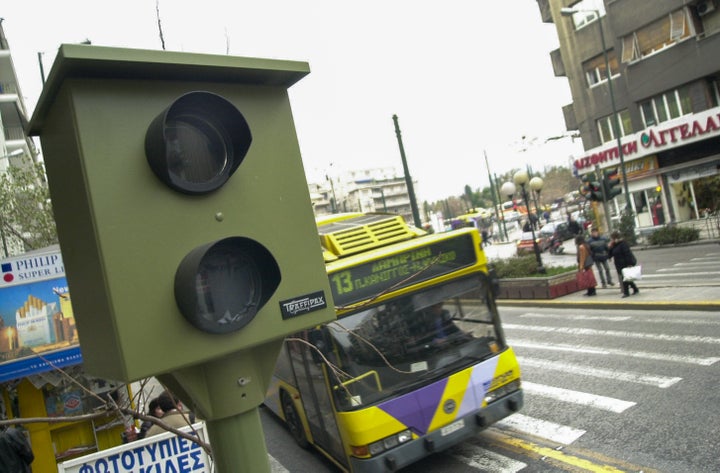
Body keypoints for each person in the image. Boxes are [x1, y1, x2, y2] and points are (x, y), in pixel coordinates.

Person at [608, 231, 639, 298]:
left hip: (625, 263)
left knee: (624, 278)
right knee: (627, 278)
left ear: (616, 238)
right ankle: (635, 289)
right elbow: (610, 254)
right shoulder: (614, 245)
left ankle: (626, 292)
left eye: (612, 239)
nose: (611, 240)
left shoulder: (623, 244)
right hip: (618, 264)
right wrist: (609, 247)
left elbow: (627, 254)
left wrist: (629, 264)